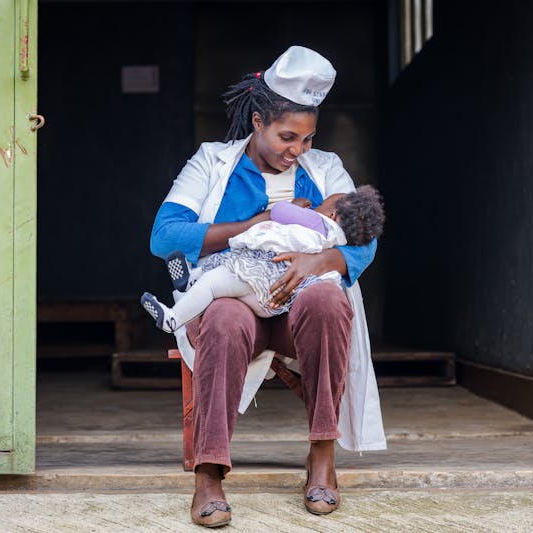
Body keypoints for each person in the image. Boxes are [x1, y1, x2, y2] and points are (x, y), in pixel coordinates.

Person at [148, 45, 386, 527]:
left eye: (308, 138)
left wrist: (318, 259)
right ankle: (209, 471)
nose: (299, 150)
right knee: (222, 316)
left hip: (300, 315)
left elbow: (364, 240)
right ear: (258, 122)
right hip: (239, 300)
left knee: (327, 299)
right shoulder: (212, 162)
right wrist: (254, 225)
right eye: (287, 137)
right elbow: (165, 236)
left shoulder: (326, 169)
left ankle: (322, 456)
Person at [141, 186, 384, 333]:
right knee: (220, 273)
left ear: (332, 214)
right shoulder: (335, 240)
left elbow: (279, 212)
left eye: (324, 202)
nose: (318, 205)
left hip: (260, 279)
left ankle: (173, 318)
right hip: (269, 295)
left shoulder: (319, 223)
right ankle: (190, 281)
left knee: (213, 284)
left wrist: (296, 207)